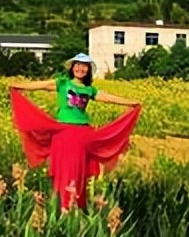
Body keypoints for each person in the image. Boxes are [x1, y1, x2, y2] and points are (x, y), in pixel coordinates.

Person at [11, 53, 142, 210]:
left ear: (88, 70)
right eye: (78, 65)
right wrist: (17, 86)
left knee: (77, 172)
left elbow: (107, 97)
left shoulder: (89, 89)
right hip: (63, 134)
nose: (81, 68)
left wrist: (130, 103)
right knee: (64, 171)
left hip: (82, 136)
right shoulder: (62, 83)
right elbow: (41, 85)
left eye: (84, 66)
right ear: (72, 68)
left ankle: (74, 207)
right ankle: (61, 208)